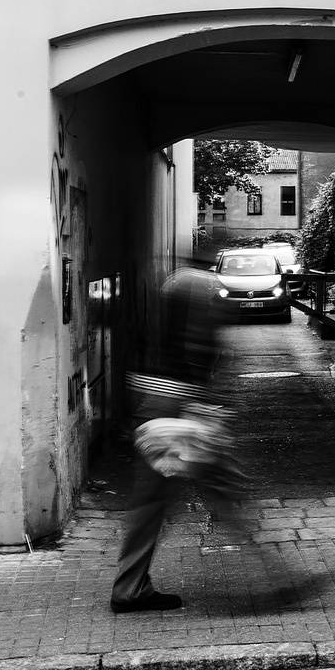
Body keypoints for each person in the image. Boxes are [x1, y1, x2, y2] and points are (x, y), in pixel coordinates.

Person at [110, 261, 248, 612]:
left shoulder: (166, 301)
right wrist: (203, 403)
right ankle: (272, 574)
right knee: (223, 487)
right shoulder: (199, 295)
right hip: (178, 407)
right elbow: (197, 350)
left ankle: (131, 586)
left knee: (153, 501)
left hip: (155, 402)